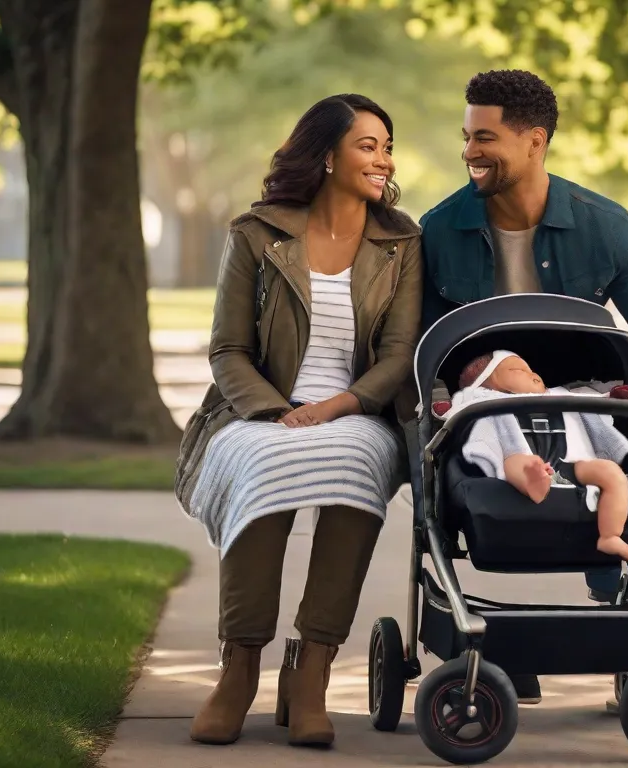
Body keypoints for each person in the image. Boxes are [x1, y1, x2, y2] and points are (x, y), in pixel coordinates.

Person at [418, 69, 628, 706]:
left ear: (535, 141)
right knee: (435, 482)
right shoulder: (439, 229)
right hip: (480, 406)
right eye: (466, 137)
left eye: (484, 138)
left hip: (579, 399)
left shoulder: (604, 223)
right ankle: (477, 644)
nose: (468, 152)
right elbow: (426, 346)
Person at [173, 94, 423, 748]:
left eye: (386, 147)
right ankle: (239, 668)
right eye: (368, 145)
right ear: (328, 154)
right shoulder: (256, 234)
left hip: (358, 410)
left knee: (354, 463)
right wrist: (276, 411)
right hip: (261, 407)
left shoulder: (401, 241)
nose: (383, 159)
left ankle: (310, 670)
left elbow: (399, 354)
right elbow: (228, 349)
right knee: (263, 463)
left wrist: (339, 406)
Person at [454, 350, 628, 564]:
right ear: (486, 385)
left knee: (610, 472)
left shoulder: (563, 395)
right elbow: (457, 408)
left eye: (532, 370)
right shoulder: (485, 401)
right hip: (522, 462)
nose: (533, 374)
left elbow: (596, 398)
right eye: (518, 370)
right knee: (515, 462)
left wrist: (614, 397)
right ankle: (533, 480)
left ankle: (610, 536)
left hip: (567, 464)